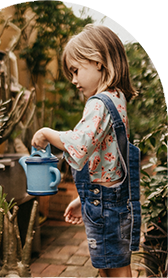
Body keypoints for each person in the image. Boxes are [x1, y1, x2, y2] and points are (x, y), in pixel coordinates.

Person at [31, 24, 141, 278]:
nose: (73, 80)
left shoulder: (98, 103)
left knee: (115, 269)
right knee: (110, 264)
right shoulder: (117, 98)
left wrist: (47, 133)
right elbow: (107, 161)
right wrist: (84, 198)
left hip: (106, 205)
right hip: (112, 199)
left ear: (98, 62)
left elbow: (80, 145)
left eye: (76, 70)